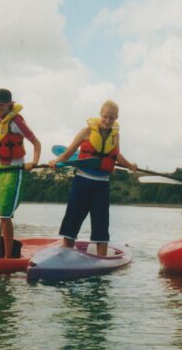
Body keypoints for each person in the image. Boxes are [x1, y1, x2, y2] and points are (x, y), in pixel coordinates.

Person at [51, 100, 137, 256]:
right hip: (82, 181)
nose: (107, 121)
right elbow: (69, 152)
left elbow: (116, 156)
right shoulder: (87, 131)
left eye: (111, 118)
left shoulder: (115, 135)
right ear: (100, 114)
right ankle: (65, 256)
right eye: (105, 117)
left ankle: (102, 259)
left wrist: (130, 165)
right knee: (73, 219)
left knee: (101, 224)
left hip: (102, 185)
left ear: (116, 118)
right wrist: (57, 161)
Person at [0, 88, 41, 258]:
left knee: (5, 215)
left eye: (1, 105)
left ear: (9, 104)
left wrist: (34, 162)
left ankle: (8, 257)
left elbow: (36, 143)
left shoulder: (16, 122)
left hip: (14, 169)